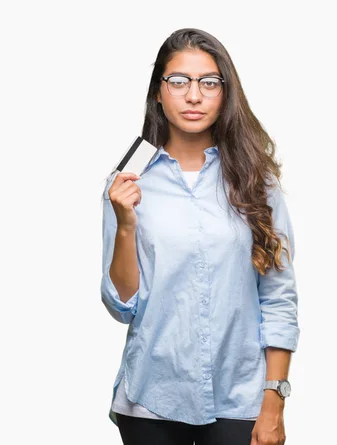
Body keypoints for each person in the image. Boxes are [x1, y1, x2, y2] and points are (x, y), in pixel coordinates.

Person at [100, 28, 300, 445]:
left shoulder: (255, 182)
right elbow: (122, 304)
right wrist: (125, 224)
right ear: (159, 91)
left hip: (239, 397)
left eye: (209, 82)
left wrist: (274, 400)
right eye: (179, 81)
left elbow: (278, 296)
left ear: (225, 93)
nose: (194, 96)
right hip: (151, 397)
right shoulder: (128, 183)